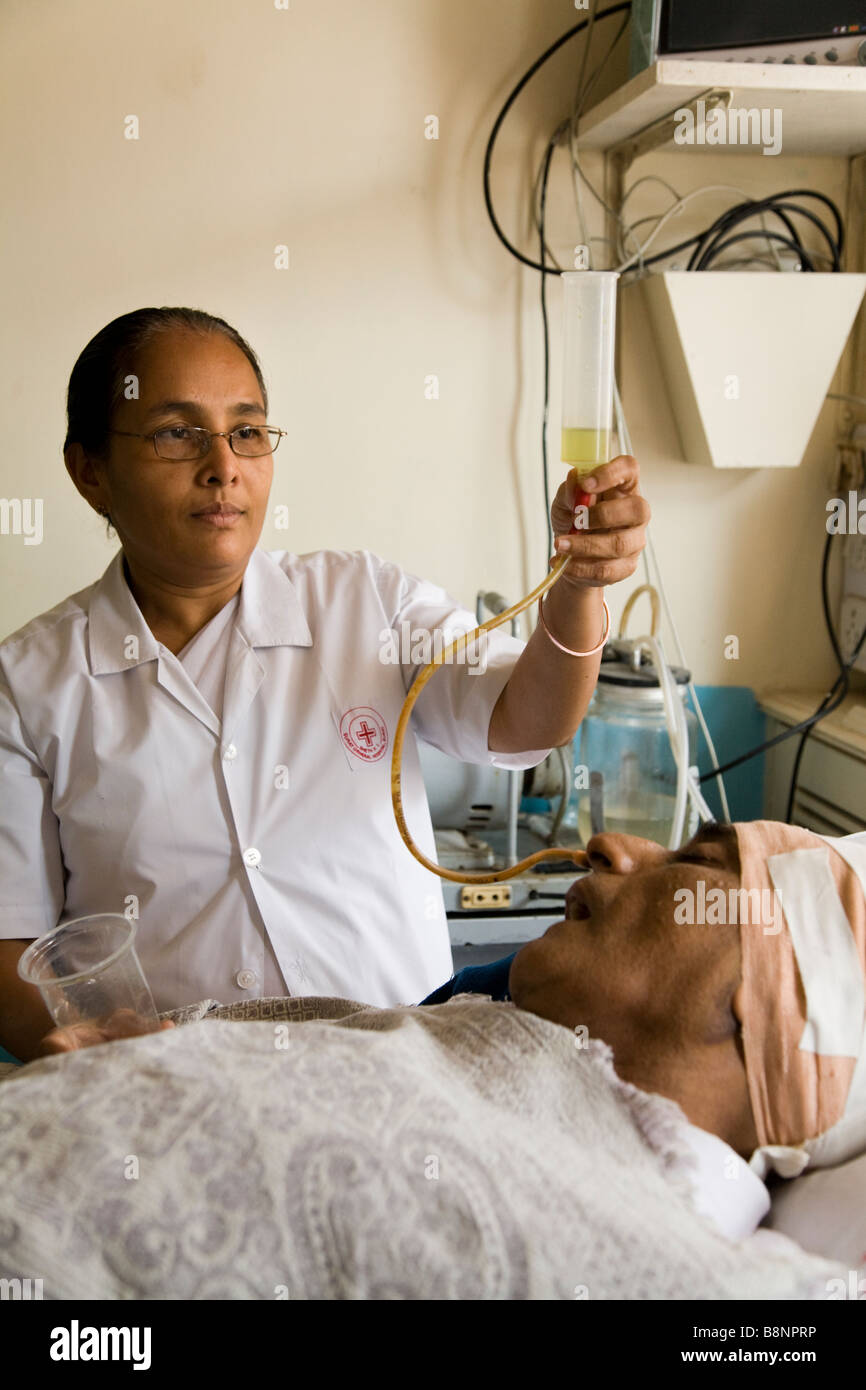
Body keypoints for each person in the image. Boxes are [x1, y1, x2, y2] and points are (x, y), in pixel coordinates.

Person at [0, 306, 650, 1062]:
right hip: (181, 1098)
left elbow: (526, 720)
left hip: (405, 1078)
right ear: (90, 471)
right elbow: (10, 942)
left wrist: (579, 588)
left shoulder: (367, 603)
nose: (223, 465)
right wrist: (76, 1046)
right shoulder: (28, 686)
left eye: (246, 431)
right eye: (176, 433)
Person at [32, 818, 866, 1241]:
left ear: (763, 1005)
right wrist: (161, 1064)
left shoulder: (636, 1258)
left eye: (694, 862)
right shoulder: (481, 1027)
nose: (611, 846)